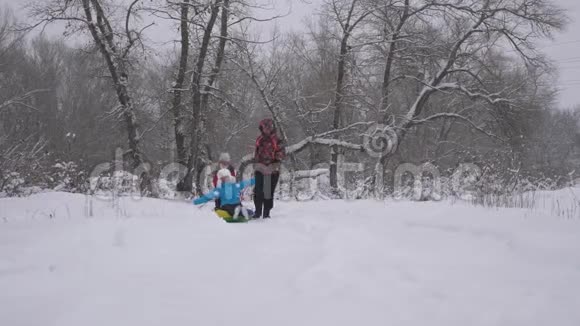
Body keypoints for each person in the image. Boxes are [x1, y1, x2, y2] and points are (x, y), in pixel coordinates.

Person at [253, 118, 286, 218]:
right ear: (261, 128)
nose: (267, 129)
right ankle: (257, 212)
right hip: (260, 169)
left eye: (269, 127)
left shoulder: (277, 140)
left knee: (267, 193)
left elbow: (281, 154)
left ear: (272, 128)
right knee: (258, 192)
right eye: (264, 127)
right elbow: (256, 153)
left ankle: (266, 214)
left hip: (272, 170)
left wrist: (271, 165)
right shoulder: (259, 139)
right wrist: (257, 165)